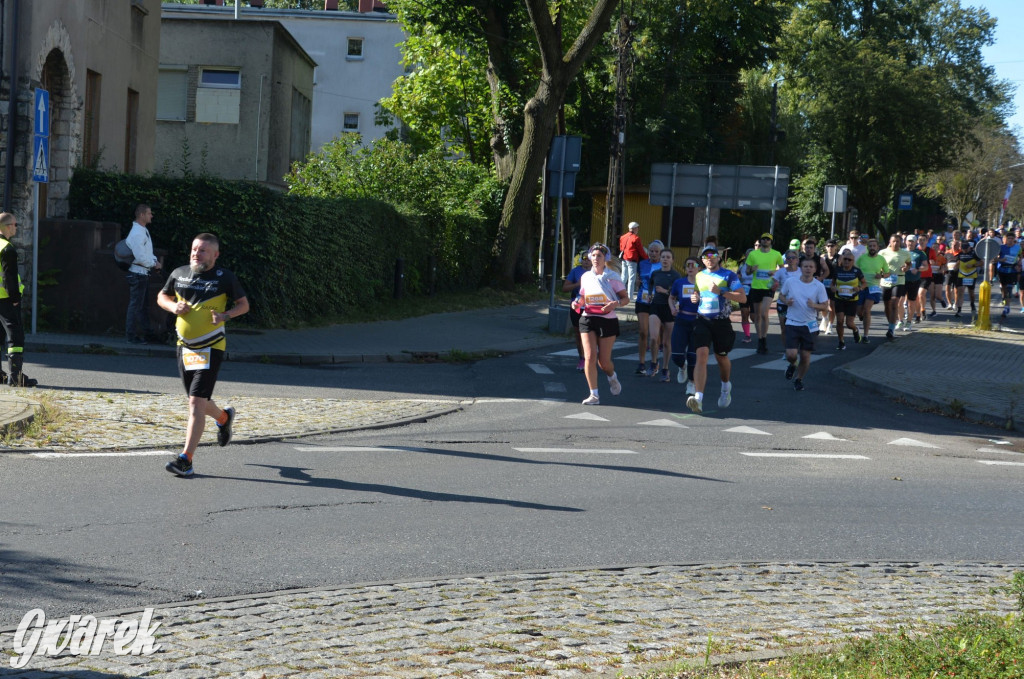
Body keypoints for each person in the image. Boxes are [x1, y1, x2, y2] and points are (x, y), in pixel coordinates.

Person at [160, 233, 250, 477]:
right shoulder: (179, 273)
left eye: (202, 251)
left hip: (211, 346)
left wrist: (225, 316)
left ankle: (185, 460)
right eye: (194, 249)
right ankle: (223, 418)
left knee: (195, 403)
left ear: (215, 255)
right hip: (185, 346)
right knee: (197, 400)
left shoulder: (224, 278)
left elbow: (244, 305)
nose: (196, 254)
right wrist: (172, 307)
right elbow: (162, 296)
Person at [685, 246, 746, 414]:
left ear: (718, 258)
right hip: (702, 320)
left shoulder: (728, 275)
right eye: (706, 256)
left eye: (712, 255)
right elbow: (697, 294)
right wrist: (694, 297)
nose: (709, 258)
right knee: (701, 355)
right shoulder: (699, 275)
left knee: (721, 358)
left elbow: (742, 297)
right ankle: (698, 398)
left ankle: (726, 386)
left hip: (721, 322)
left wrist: (722, 292)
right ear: (702, 260)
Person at [573, 242, 628, 405]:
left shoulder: (612, 277)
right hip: (587, 318)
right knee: (589, 356)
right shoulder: (585, 276)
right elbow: (582, 297)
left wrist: (615, 304)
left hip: (607, 320)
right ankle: (594, 395)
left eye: (599, 256)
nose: (596, 259)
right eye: (593, 255)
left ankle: (612, 376)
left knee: (604, 362)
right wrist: (576, 303)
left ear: (605, 259)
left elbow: (625, 298)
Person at [779, 258, 829, 391]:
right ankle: (793, 364)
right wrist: (786, 301)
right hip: (792, 322)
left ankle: (799, 379)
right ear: (801, 268)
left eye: (810, 266)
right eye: (805, 266)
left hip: (810, 325)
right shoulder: (791, 282)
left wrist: (814, 305)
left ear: (815, 269)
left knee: (806, 357)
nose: (808, 269)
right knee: (791, 355)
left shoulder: (819, 286)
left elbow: (825, 306)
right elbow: (781, 295)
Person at [0, 213, 36, 387]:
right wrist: (15, 298)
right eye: (15, 224)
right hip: (6, 300)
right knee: (16, 337)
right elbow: (9, 278)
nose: (16, 227)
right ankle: (16, 376)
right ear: (7, 226)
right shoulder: (7, 249)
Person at [124, 204, 161, 344]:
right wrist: (154, 264)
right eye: (149, 213)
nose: (151, 216)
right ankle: (131, 336)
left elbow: (146, 253)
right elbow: (140, 257)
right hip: (138, 274)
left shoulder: (142, 230)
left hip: (142, 273)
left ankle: (147, 334)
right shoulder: (138, 233)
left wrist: (154, 261)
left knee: (140, 306)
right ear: (142, 215)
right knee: (135, 306)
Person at [744, 233, 784, 354]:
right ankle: (760, 339)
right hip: (756, 287)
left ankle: (764, 338)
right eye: (763, 239)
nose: (765, 241)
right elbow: (747, 271)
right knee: (757, 315)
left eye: (768, 239)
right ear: (760, 241)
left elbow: (782, 269)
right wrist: (752, 269)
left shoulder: (776, 254)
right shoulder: (753, 254)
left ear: (771, 242)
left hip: (768, 287)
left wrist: (775, 271)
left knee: (763, 313)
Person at [647, 248, 681, 382]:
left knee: (667, 343)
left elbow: (678, 296)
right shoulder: (655, 273)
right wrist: (650, 295)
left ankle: (665, 369)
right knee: (654, 338)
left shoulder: (676, 276)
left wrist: (664, 291)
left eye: (668, 257)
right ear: (660, 259)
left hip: (669, 309)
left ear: (672, 260)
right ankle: (654, 363)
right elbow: (650, 285)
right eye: (663, 257)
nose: (665, 259)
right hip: (655, 306)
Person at [668, 257, 700, 394]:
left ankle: (691, 383)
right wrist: (672, 308)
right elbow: (671, 297)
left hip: (698, 321)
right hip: (681, 320)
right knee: (676, 355)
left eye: (693, 265)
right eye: (688, 265)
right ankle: (682, 367)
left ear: (699, 268)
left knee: (693, 356)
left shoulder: (703, 283)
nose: (690, 268)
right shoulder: (679, 282)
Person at [633, 240, 663, 375]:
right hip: (642, 300)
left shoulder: (663, 265)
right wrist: (637, 283)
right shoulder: (642, 263)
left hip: (657, 302)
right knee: (643, 331)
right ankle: (641, 363)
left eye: (657, 251)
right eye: (651, 251)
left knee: (654, 336)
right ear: (648, 252)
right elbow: (639, 280)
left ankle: (654, 361)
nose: (654, 254)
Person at [855, 238, 890, 343]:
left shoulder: (881, 259)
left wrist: (882, 275)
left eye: (874, 246)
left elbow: (887, 273)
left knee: (867, 310)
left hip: (873, 287)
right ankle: (861, 317)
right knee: (859, 311)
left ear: (877, 248)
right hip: (861, 287)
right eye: (870, 246)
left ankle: (865, 336)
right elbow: (855, 270)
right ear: (867, 247)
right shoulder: (861, 258)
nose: (872, 248)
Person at [561, 249, 590, 371]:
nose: (586, 262)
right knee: (578, 334)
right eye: (584, 259)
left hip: (592, 307)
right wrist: (577, 284)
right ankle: (582, 358)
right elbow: (565, 288)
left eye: (588, 259)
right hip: (577, 306)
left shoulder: (598, 272)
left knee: (590, 335)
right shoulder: (575, 271)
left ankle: (590, 358)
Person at [830, 251, 865, 350]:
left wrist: (860, 288)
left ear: (853, 261)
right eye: (845, 259)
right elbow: (832, 283)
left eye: (849, 260)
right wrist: (832, 288)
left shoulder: (857, 271)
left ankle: (855, 330)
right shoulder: (837, 270)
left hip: (852, 300)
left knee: (849, 324)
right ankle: (841, 342)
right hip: (839, 299)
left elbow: (864, 283)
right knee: (840, 321)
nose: (846, 261)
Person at [879, 234, 911, 340]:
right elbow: (877, 265)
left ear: (901, 242)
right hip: (885, 282)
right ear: (890, 241)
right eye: (894, 241)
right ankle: (891, 325)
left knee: (894, 304)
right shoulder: (883, 252)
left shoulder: (905, 253)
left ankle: (891, 329)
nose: (896, 243)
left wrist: (906, 268)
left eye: (898, 241)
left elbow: (909, 264)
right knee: (887, 306)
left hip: (899, 280)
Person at [772, 250, 802, 347]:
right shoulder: (781, 271)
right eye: (788, 258)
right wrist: (773, 285)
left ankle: (796, 347)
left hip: (797, 304)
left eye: (793, 258)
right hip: (782, 303)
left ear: (797, 259)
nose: (791, 260)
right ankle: (787, 349)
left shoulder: (801, 271)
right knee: (784, 328)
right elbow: (772, 284)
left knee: (796, 328)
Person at [617, 221, 647, 301]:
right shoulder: (636, 238)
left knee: (623, 277)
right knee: (631, 278)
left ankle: (620, 295)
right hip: (632, 259)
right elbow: (641, 251)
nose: (638, 229)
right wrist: (646, 258)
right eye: (637, 228)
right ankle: (630, 296)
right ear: (635, 228)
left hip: (624, 258)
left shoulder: (623, 237)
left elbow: (621, 248)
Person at [995, 230, 1021, 318]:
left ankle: (1007, 306)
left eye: (1012, 238)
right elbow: (993, 259)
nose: (1010, 240)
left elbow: (1020, 257)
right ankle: (1004, 298)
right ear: (1005, 239)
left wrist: (1018, 264)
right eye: (1008, 238)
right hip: (1002, 270)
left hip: (1012, 270)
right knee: (1003, 287)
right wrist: (1000, 260)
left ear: (1014, 239)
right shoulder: (1001, 247)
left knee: (1009, 288)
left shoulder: (1018, 247)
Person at [954, 239, 980, 317]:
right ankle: (959, 310)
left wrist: (973, 265)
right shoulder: (960, 254)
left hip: (971, 275)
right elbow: (958, 262)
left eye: (966, 249)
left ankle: (972, 304)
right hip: (962, 275)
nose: (965, 250)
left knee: (971, 293)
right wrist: (955, 267)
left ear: (969, 247)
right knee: (960, 292)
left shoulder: (974, 254)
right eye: (963, 249)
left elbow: (981, 263)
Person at [735, 248, 755, 342]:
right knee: (744, 313)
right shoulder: (742, 266)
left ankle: (761, 334)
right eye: (748, 255)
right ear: (746, 256)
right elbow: (737, 277)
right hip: (744, 290)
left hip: (755, 290)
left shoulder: (757, 266)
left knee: (753, 316)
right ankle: (747, 336)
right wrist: (738, 277)